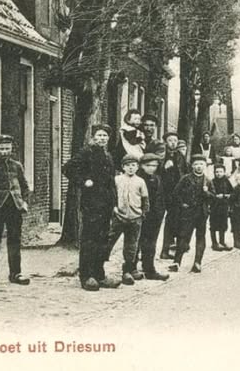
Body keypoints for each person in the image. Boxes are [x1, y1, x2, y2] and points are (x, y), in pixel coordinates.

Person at [63, 124, 120, 291]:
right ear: (94, 137)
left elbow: (111, 183)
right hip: (91, 204)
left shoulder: (108, 156)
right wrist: (83, 181)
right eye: (99, 135)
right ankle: (86, 276)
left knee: (102, 240)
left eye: (105, 136)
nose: (102, 138)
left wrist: (114, 203)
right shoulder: (86, 152)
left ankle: (100, 274)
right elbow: (68, 168)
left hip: (106, 204)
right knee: (89, 239)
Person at [0, 134, 31, 287]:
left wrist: (24, 201)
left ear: (12, 148)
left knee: (15, 240)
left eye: (7, 148)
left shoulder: (17, 165)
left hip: (14, 207)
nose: (5, 151)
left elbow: (24, 187)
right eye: (1, 148)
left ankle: (15, 273)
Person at [105, 154, 149, 285]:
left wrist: (143, 213)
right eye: (128, 165)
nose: (131, 168)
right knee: (108, 241)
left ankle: (127, 271)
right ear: (123, 167)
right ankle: (98, 268)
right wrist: (113, 208)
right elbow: (111, 196)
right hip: (119, 217)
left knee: (131, 245)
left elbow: (145, 199)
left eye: (133, 165)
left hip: (135, 218)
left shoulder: (140, 181)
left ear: (137, 167)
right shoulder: (117, 180)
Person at [170, 154, 216, 273]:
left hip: (202, 213)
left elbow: (213, 198)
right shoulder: (186, 179)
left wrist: (207, 193)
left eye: (201, 164)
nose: (199, 166)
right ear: (192, 166)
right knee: (183, 236)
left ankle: (197, 262)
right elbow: (175, 193)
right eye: (196, 164)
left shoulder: (208, 181)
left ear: (205, 166)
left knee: (200, 237)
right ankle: (176, 262)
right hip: (188, 213)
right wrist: (182, 204)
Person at [136, 153, 169, 281]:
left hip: (155, 216)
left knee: (151, 243)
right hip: (141, 215)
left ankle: (149, 269)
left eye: (154, 165)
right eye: (148, 165)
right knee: (137, 241)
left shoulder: (157, 178)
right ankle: (131, 268)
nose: (151, 168)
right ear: (142, 166)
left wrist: (160, 212)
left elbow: (160, 197)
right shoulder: (138, 179)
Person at [160, 132, 187, 260]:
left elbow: (185, 173)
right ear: (165, 142)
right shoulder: (161, 154)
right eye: (170, 140)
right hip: (163, 192)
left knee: (174, 219)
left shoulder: (180, 156)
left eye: (175, 140)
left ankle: (169, 248)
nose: (173, 143)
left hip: (177, 193)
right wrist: (163, 168)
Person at [209, 164, 233, 250]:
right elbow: (209, 194)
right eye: (217, 172)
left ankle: (222, 242)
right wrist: (214, 196)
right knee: (213, 225)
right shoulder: (211, 182)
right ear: (214, 173)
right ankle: (214, 243)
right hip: (214, 206)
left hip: (224, 206)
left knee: (223, 224)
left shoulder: (226, 181)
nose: (218, 174)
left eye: (221, 172)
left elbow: (232, 193)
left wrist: (225, 196)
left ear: (224, 172)